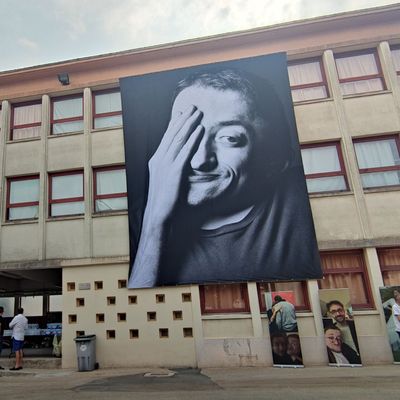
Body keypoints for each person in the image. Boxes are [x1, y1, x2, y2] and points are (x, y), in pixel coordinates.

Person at [127, 67, 320, 288]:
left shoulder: (305, 202)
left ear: (274, 159)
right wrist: (155, 223)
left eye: (229, 138)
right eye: (186, 133)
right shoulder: (135, 225)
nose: (199, 160)